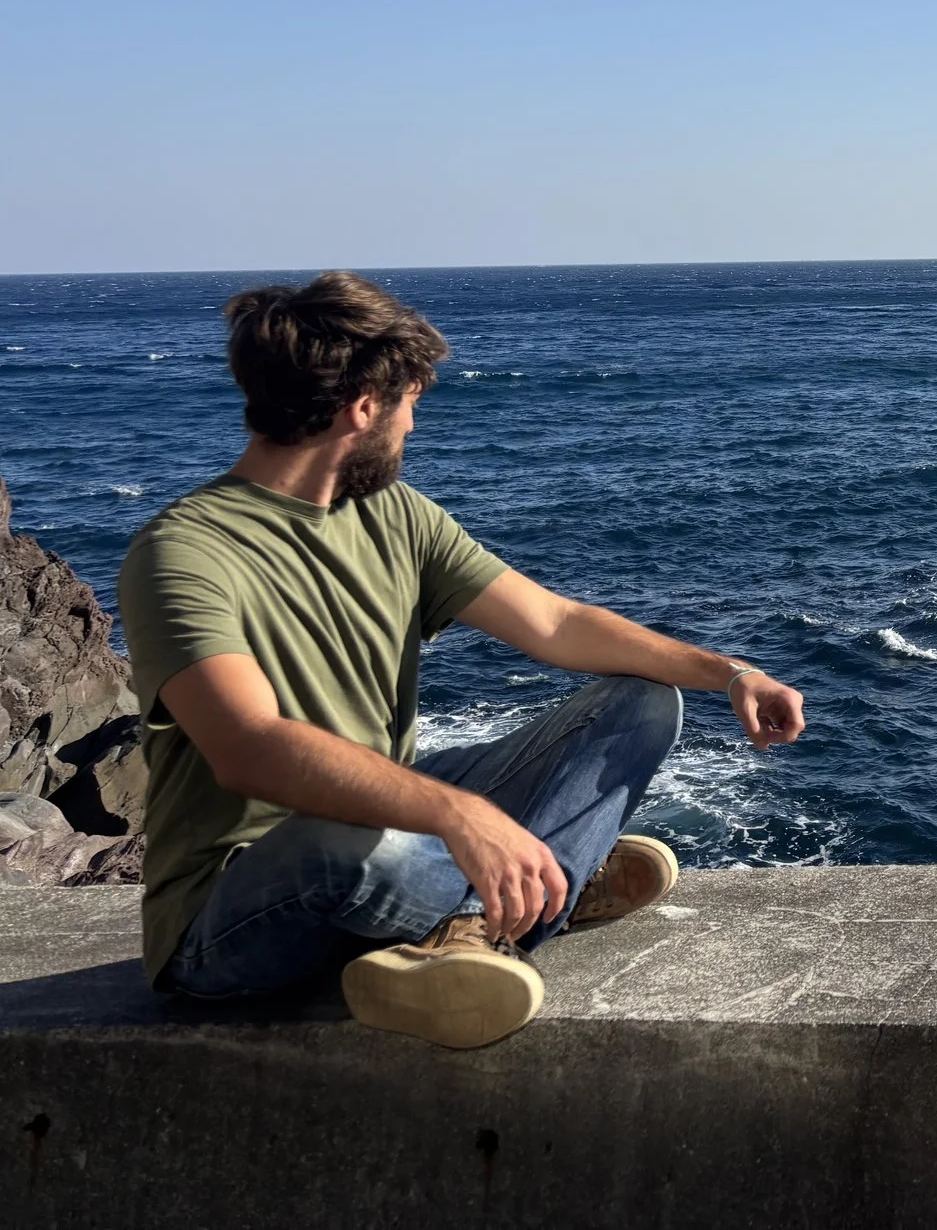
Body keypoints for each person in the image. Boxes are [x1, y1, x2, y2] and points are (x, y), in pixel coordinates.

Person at [115, 271, 806, 1049]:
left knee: (642, 704)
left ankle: (485, 914)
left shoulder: (394, 514)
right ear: (364, 406)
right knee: (344, 843)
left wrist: (729, 671)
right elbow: (247, 746)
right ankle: (543, 892)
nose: (414, 424)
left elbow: (555, 621)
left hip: (379, 834)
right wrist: (460, 813)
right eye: (409, 401)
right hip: (238, 907)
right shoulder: (184, 551)